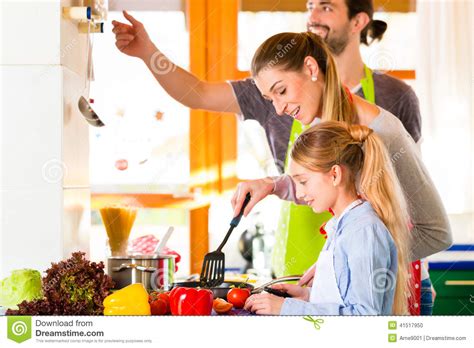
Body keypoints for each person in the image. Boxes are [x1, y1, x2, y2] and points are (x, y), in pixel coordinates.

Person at [111, 0, 423, 278]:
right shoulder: (275, 88)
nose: (313, 14)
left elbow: (406, 197)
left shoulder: (392, 101)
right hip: (294, 272)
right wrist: (147, 52)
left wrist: (348, 260)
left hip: (372, 274)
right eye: (309, 5)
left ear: (358, 21)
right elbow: (199, 94)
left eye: (326, 6)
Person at [230, 31, 451, 300]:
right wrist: (272, 185)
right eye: (270, 99)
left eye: (281, 91)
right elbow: (325, 184)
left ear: (311, 68)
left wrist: (345, 261)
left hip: (399, 294)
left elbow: (436, 232)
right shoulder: (316, 126)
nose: (278, 109)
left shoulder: (384, 131)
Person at [244, 121, 411, 315]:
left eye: (303, 181)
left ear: (334, 175)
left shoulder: (364, 232)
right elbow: (344, 297)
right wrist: (308, 296)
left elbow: (365, 316)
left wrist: (288, 308)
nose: (298, 193)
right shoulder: (341, 226)